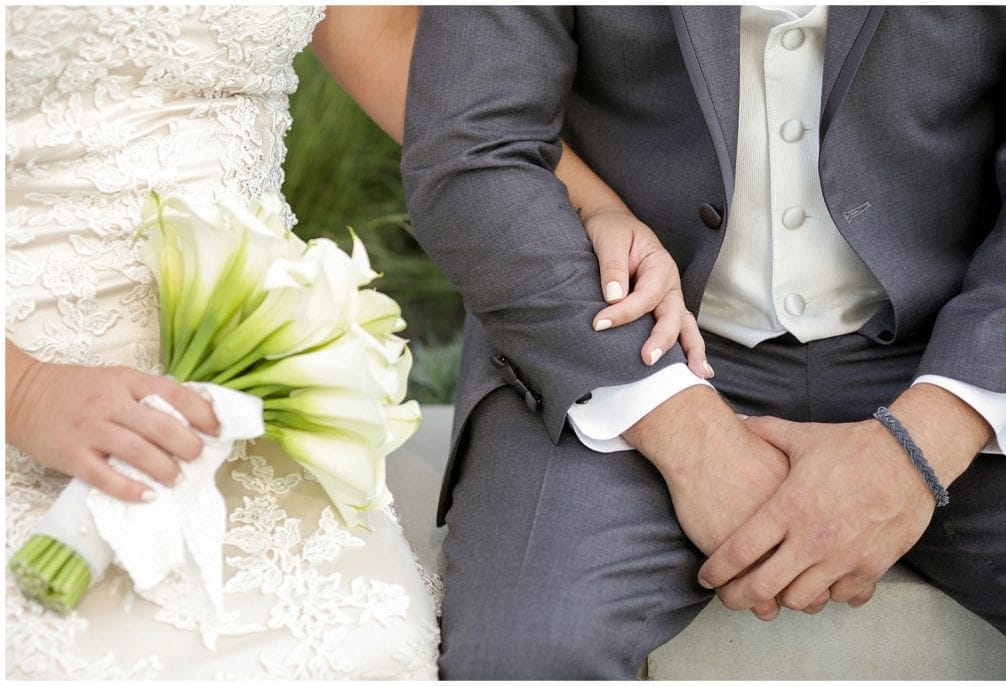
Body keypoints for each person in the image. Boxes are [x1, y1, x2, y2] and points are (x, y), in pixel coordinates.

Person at [5, 5, 701, 679]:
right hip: (26, 356)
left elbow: (387, 38)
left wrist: (589, 205)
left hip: (247, 375)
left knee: (364, 640)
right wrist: (24, 392)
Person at [401, 6, 1006, 680]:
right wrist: (687, 435)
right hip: (619, 331)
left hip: (964, 333)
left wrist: (927, 439)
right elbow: (474, 147)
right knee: (529, 652)